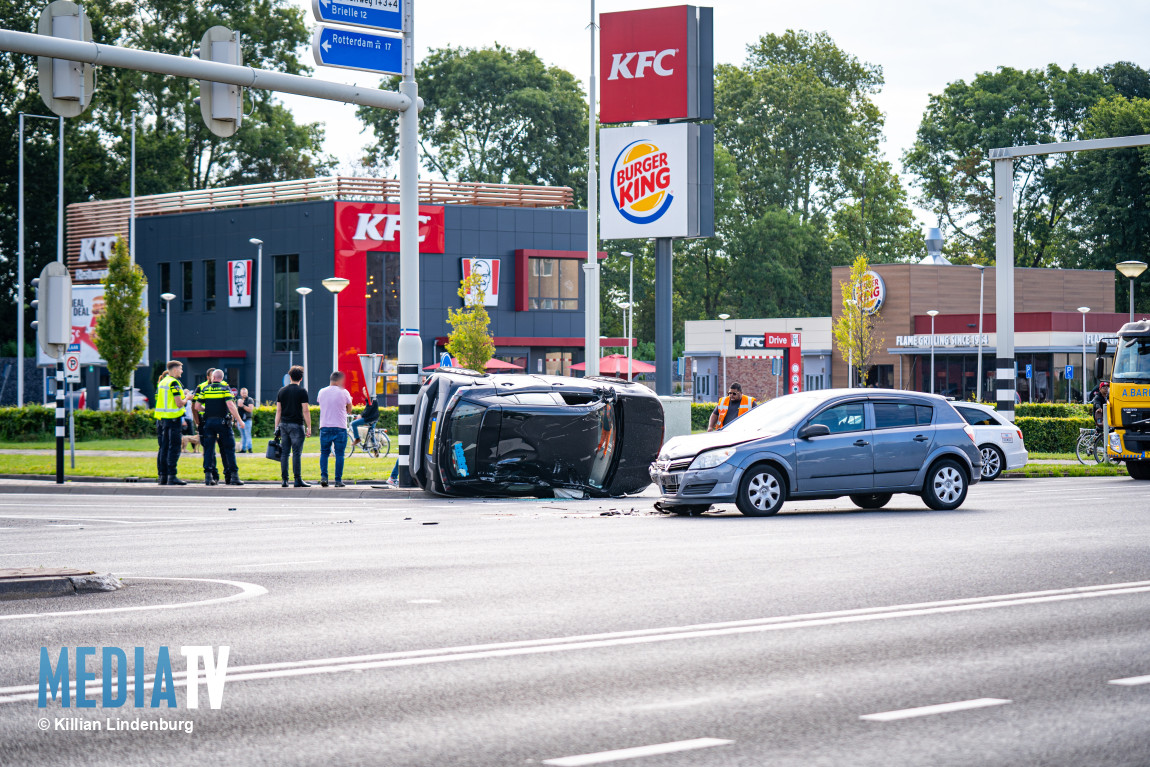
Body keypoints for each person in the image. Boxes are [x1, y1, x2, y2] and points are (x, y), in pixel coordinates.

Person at [194, 369, 245, 486]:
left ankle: (208, 477)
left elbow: (197, 406)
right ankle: (234, 477)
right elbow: (230, 405)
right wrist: (239, 420)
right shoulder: (225, 389)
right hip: (222, 423)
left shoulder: (206, 389)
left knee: (209, 449)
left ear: (212, 378)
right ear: (221, 378)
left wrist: (206, 410)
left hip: (208, 423)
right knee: (229, 449)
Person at [275, 365, 311, 488]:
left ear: (289, 377)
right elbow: (305, 410)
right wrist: (309, 426)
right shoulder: (302, 391)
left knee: (284, 453)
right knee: (296, 453)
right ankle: (297, 480)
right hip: (297, 425)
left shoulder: (282, 391)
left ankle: (284, 480)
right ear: (301, 378)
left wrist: (276, 427)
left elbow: (278, 411)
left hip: (284, 425)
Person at [154, 360, 190, 486]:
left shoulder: (163, 382)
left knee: (164, 448)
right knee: (174, 448)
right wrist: (188, 398)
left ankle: (163, 476)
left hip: (163, 420)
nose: (182, 371)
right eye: (180, 369)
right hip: (173, 419)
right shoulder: (174, 383)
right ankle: (172, 476)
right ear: (175, 370)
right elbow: (179, 403)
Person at [316, 371, 354, 487]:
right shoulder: (344, 392)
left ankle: (324, 477)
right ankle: (338, 480)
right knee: (339, 455)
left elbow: (321, 404)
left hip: (325, 426)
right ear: (339, 380)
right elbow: (349, 409)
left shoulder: (321, 391)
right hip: (340, 427)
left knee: (324, 453)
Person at [235, 387, 255, 453]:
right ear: (240, 393)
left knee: (248, 434)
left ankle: (250, 449)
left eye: (245, 393)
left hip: (247, 420)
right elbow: (235, 410)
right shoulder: (238, 400)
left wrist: (242, 406)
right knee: (243, 435)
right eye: (243, 393)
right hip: (240, 420)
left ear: (247, 393)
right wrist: (236, 420)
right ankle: (243, 449)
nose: (244, 394)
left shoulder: (250, 400)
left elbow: (250, 409)